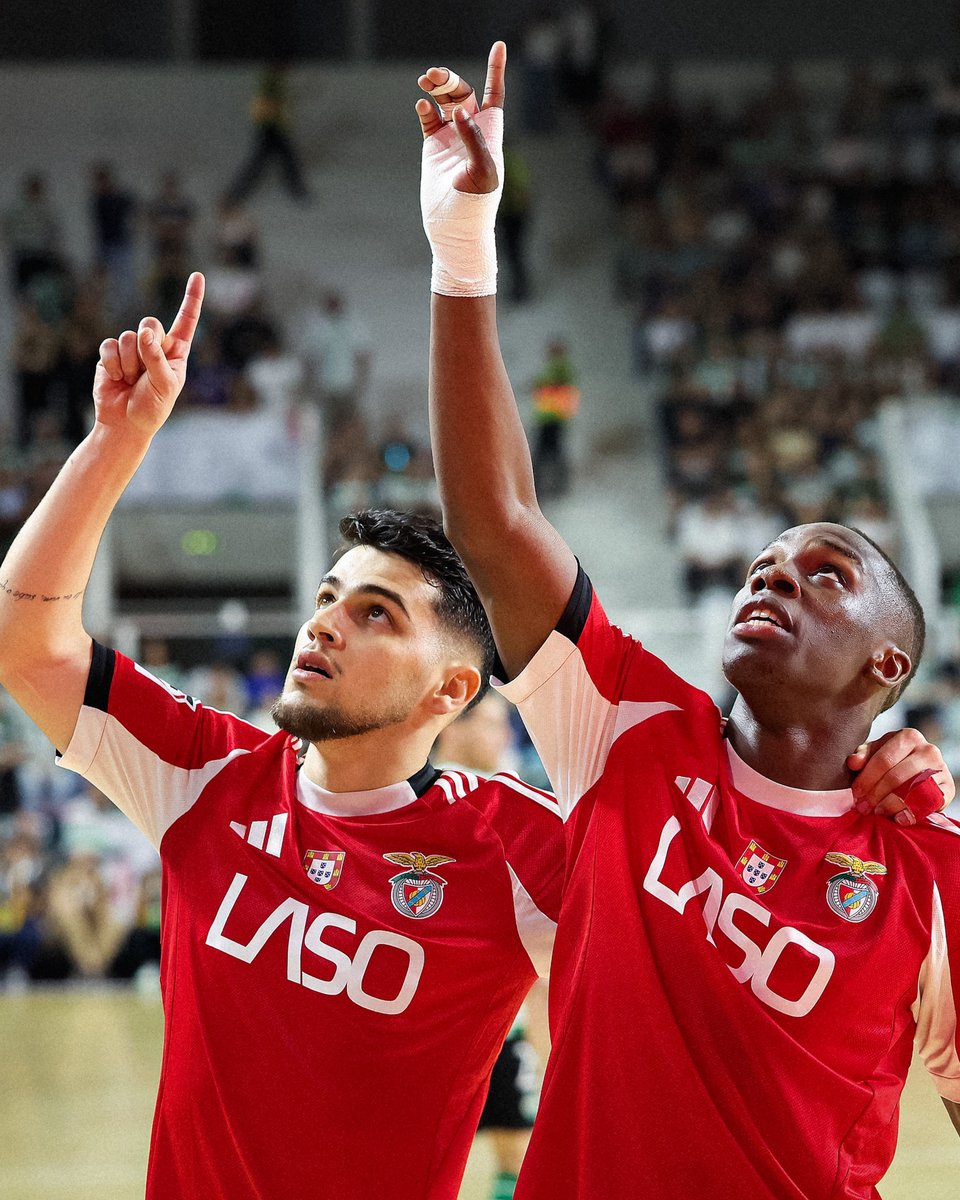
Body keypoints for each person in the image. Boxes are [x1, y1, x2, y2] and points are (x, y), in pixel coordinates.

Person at [416, 43, 960, 1199]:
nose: (774, 576)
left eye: (825, 574)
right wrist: (463, 248)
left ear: (889, 660)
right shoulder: (628, 728)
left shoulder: (930, 871)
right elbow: (499, 521)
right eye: (765, 563)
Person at [0, 274, 565, 1198]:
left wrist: (881, 796)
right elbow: (28, 644)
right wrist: (116, 441)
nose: (324, 625)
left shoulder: (520, 841)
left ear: (451, 690)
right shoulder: (207, 770)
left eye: (376, 614)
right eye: (327, 599)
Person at [434, 692, 550, 1200]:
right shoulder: (416, 799)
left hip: (501, 1029)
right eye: (491, 722)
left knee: (517, 1154)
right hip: (425, 1026)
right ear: (451, 726)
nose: (504, 735)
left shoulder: (513, 804)